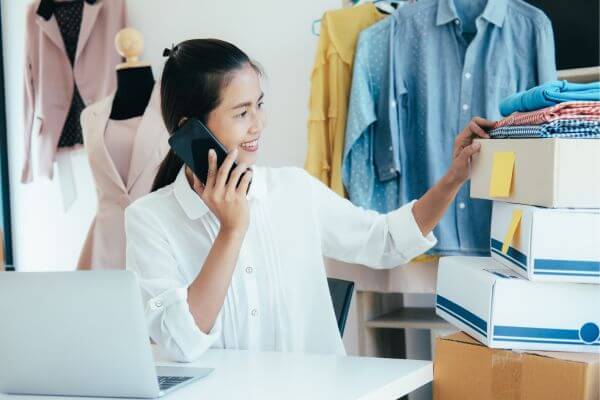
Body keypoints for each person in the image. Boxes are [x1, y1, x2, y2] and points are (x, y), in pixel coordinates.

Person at [125, 39, 493, 362]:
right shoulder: (149, 219)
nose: (259, 124)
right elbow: (180, 342)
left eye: (259, 104)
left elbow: (386, 241)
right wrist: (232, 230)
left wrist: (454, 177)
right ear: (192, 129)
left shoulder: (294, 190)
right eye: (241, 113)